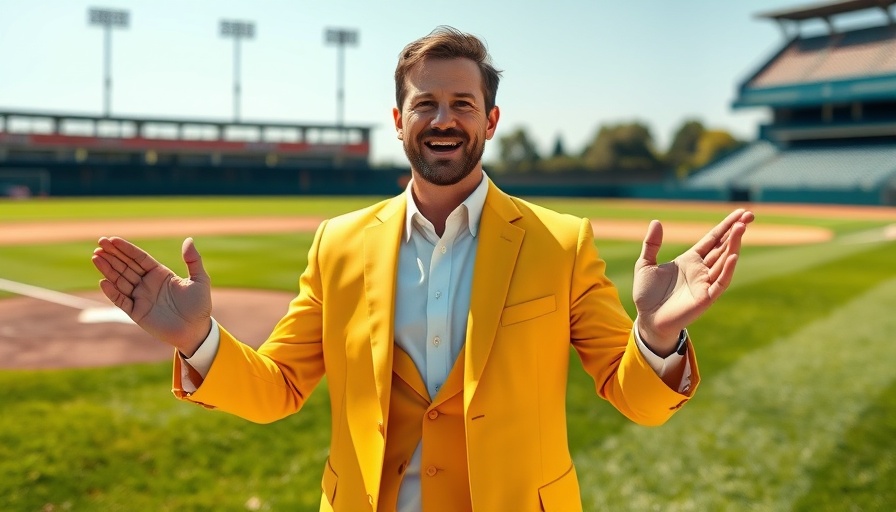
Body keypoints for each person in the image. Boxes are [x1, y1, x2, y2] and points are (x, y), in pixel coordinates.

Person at [92, 26, 753, 512]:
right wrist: (197, 342)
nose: (443, 120)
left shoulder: (561, 243)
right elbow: (278, 389)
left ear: (491, 121)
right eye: (425, 104)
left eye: (463, 104)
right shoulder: (338, 245)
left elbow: (632, 393)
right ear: (398, 120)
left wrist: (657, 338)